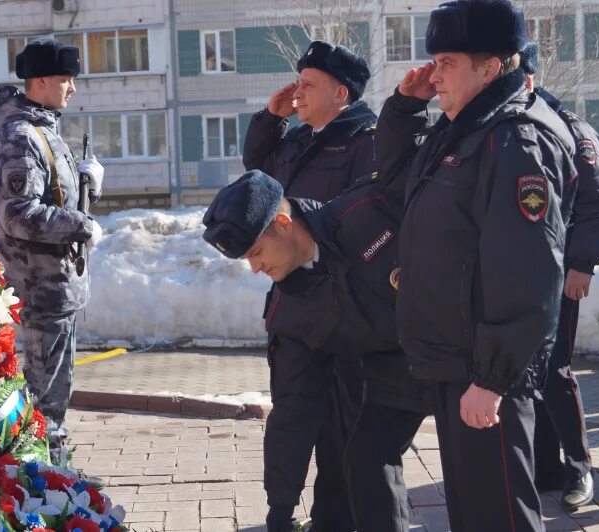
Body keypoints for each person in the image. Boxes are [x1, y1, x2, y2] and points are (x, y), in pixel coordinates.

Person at [375, 1, 578, 529]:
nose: (433, 75)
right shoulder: (462, 130)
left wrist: (492, 379)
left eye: (447, 62)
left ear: (491, 67)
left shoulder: (514, 141)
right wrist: (403, 107)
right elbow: (395, 184)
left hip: (486, 376)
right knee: (474, 515)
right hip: (458, 365)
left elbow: (528, 273)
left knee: (499, 516)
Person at [202, 169, 432, 532]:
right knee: (365, 460)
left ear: (283, 222)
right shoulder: (289, 312)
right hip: (394, 372)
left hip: (461, 354)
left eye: (257, 251)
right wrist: (280, 508)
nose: (255, 267)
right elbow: (294, 410)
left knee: (478, 471)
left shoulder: (371, 211)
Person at [242, 40, 376, 531]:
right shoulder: (299, 140)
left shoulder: (369, 141)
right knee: (291, 417)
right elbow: (256, 175)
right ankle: (280, 515)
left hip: (345, 309)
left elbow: (368, 223)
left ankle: (332, 519)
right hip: (292, 305)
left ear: (341, 92)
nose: (297, 91)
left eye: (308, 84)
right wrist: (271, 118)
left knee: (342, 424)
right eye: (297, 81)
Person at [0, 37, 105, 464]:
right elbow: (17, 213)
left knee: (54, 393)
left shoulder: (43, 127)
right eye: (65, 79)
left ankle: (52, 474)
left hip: (57, 287)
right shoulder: (22, 136)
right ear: (39, 81)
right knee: (43, 399)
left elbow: (54, 195)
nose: (72, 87)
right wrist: (81, 224)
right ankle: (44, 483)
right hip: (40, 287)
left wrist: (86, 184)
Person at [520, 42, 599, 509]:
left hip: (559, 277)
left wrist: (582, 264)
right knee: (525, 373)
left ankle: (581, 470)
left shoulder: (568, 129)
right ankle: (545, 469)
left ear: (527, 77)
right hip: (514, 278)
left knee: (555, 373)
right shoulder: (506, 129)